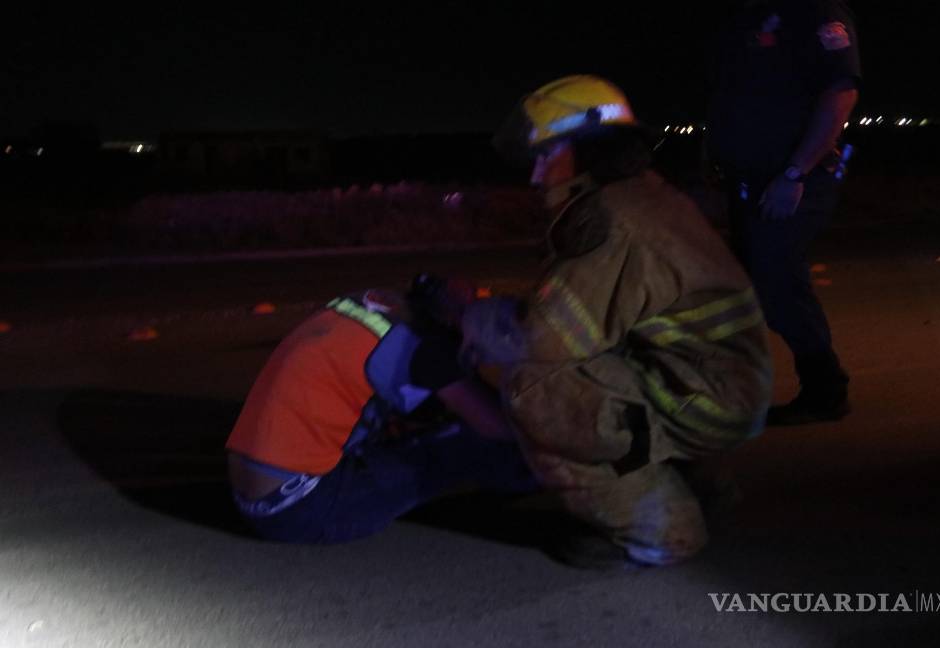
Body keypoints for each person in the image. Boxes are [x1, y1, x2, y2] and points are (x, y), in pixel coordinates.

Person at [463, 75, 773, 568]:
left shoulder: (612, 221)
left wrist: (474, 323)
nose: (536, 175)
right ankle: (700, 485)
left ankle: (658, 531)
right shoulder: (642, 197)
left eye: (545, 156)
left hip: (701, 396)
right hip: (715, 386)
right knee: (588, 373)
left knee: (532, 386)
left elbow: (545, 345)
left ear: (579, 150)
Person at [225, 283, 534, 543]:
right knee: (459, 443)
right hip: (299, 511)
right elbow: (496, 426)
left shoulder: (372, 305)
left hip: (253, 497)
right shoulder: (430, 353)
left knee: (402, 429)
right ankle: (533, 481)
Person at [706, 0, 861, 425]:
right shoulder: (746, 15)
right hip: (748, 179)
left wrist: (795, 174)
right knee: (743, 283)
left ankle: (826, 390)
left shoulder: (815, 12)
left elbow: (840, 93)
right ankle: (726, 386)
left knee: (777, 279)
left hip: (792, 179)